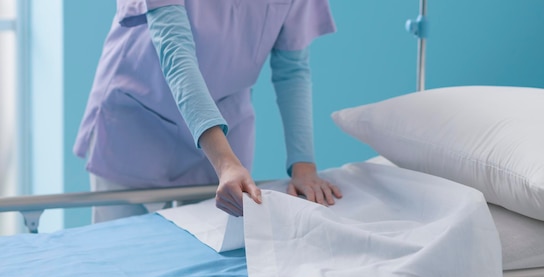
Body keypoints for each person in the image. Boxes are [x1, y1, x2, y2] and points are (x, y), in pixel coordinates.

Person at [73, 0, 342, 222]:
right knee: (123, 259)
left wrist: (304, 167)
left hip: (224, 124)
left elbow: (292, 70)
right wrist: (225, 161)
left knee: (213, 261)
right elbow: (175, 52)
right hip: (137, 122)